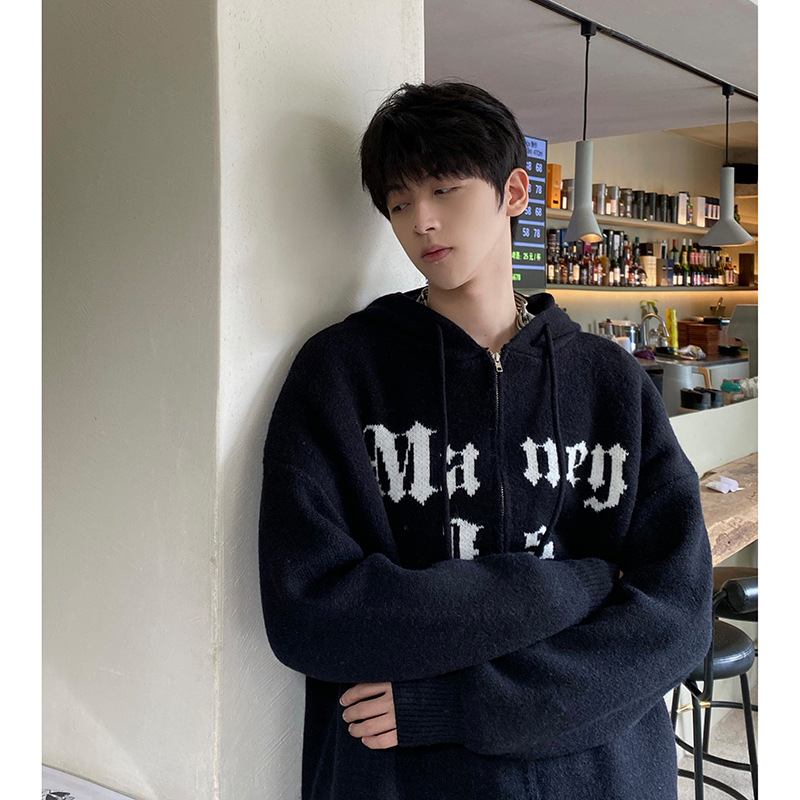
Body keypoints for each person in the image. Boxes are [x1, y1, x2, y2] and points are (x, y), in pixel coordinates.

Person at [258, 81, 712, 800]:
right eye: (399, 202)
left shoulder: (612, 383)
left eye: (446, 189)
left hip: (600, 775)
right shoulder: (341, 373)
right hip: (403, 781)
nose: (423, 221)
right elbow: (309, 613)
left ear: (515, 192)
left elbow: (677, 618)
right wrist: (582, 583)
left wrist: (455, 703)